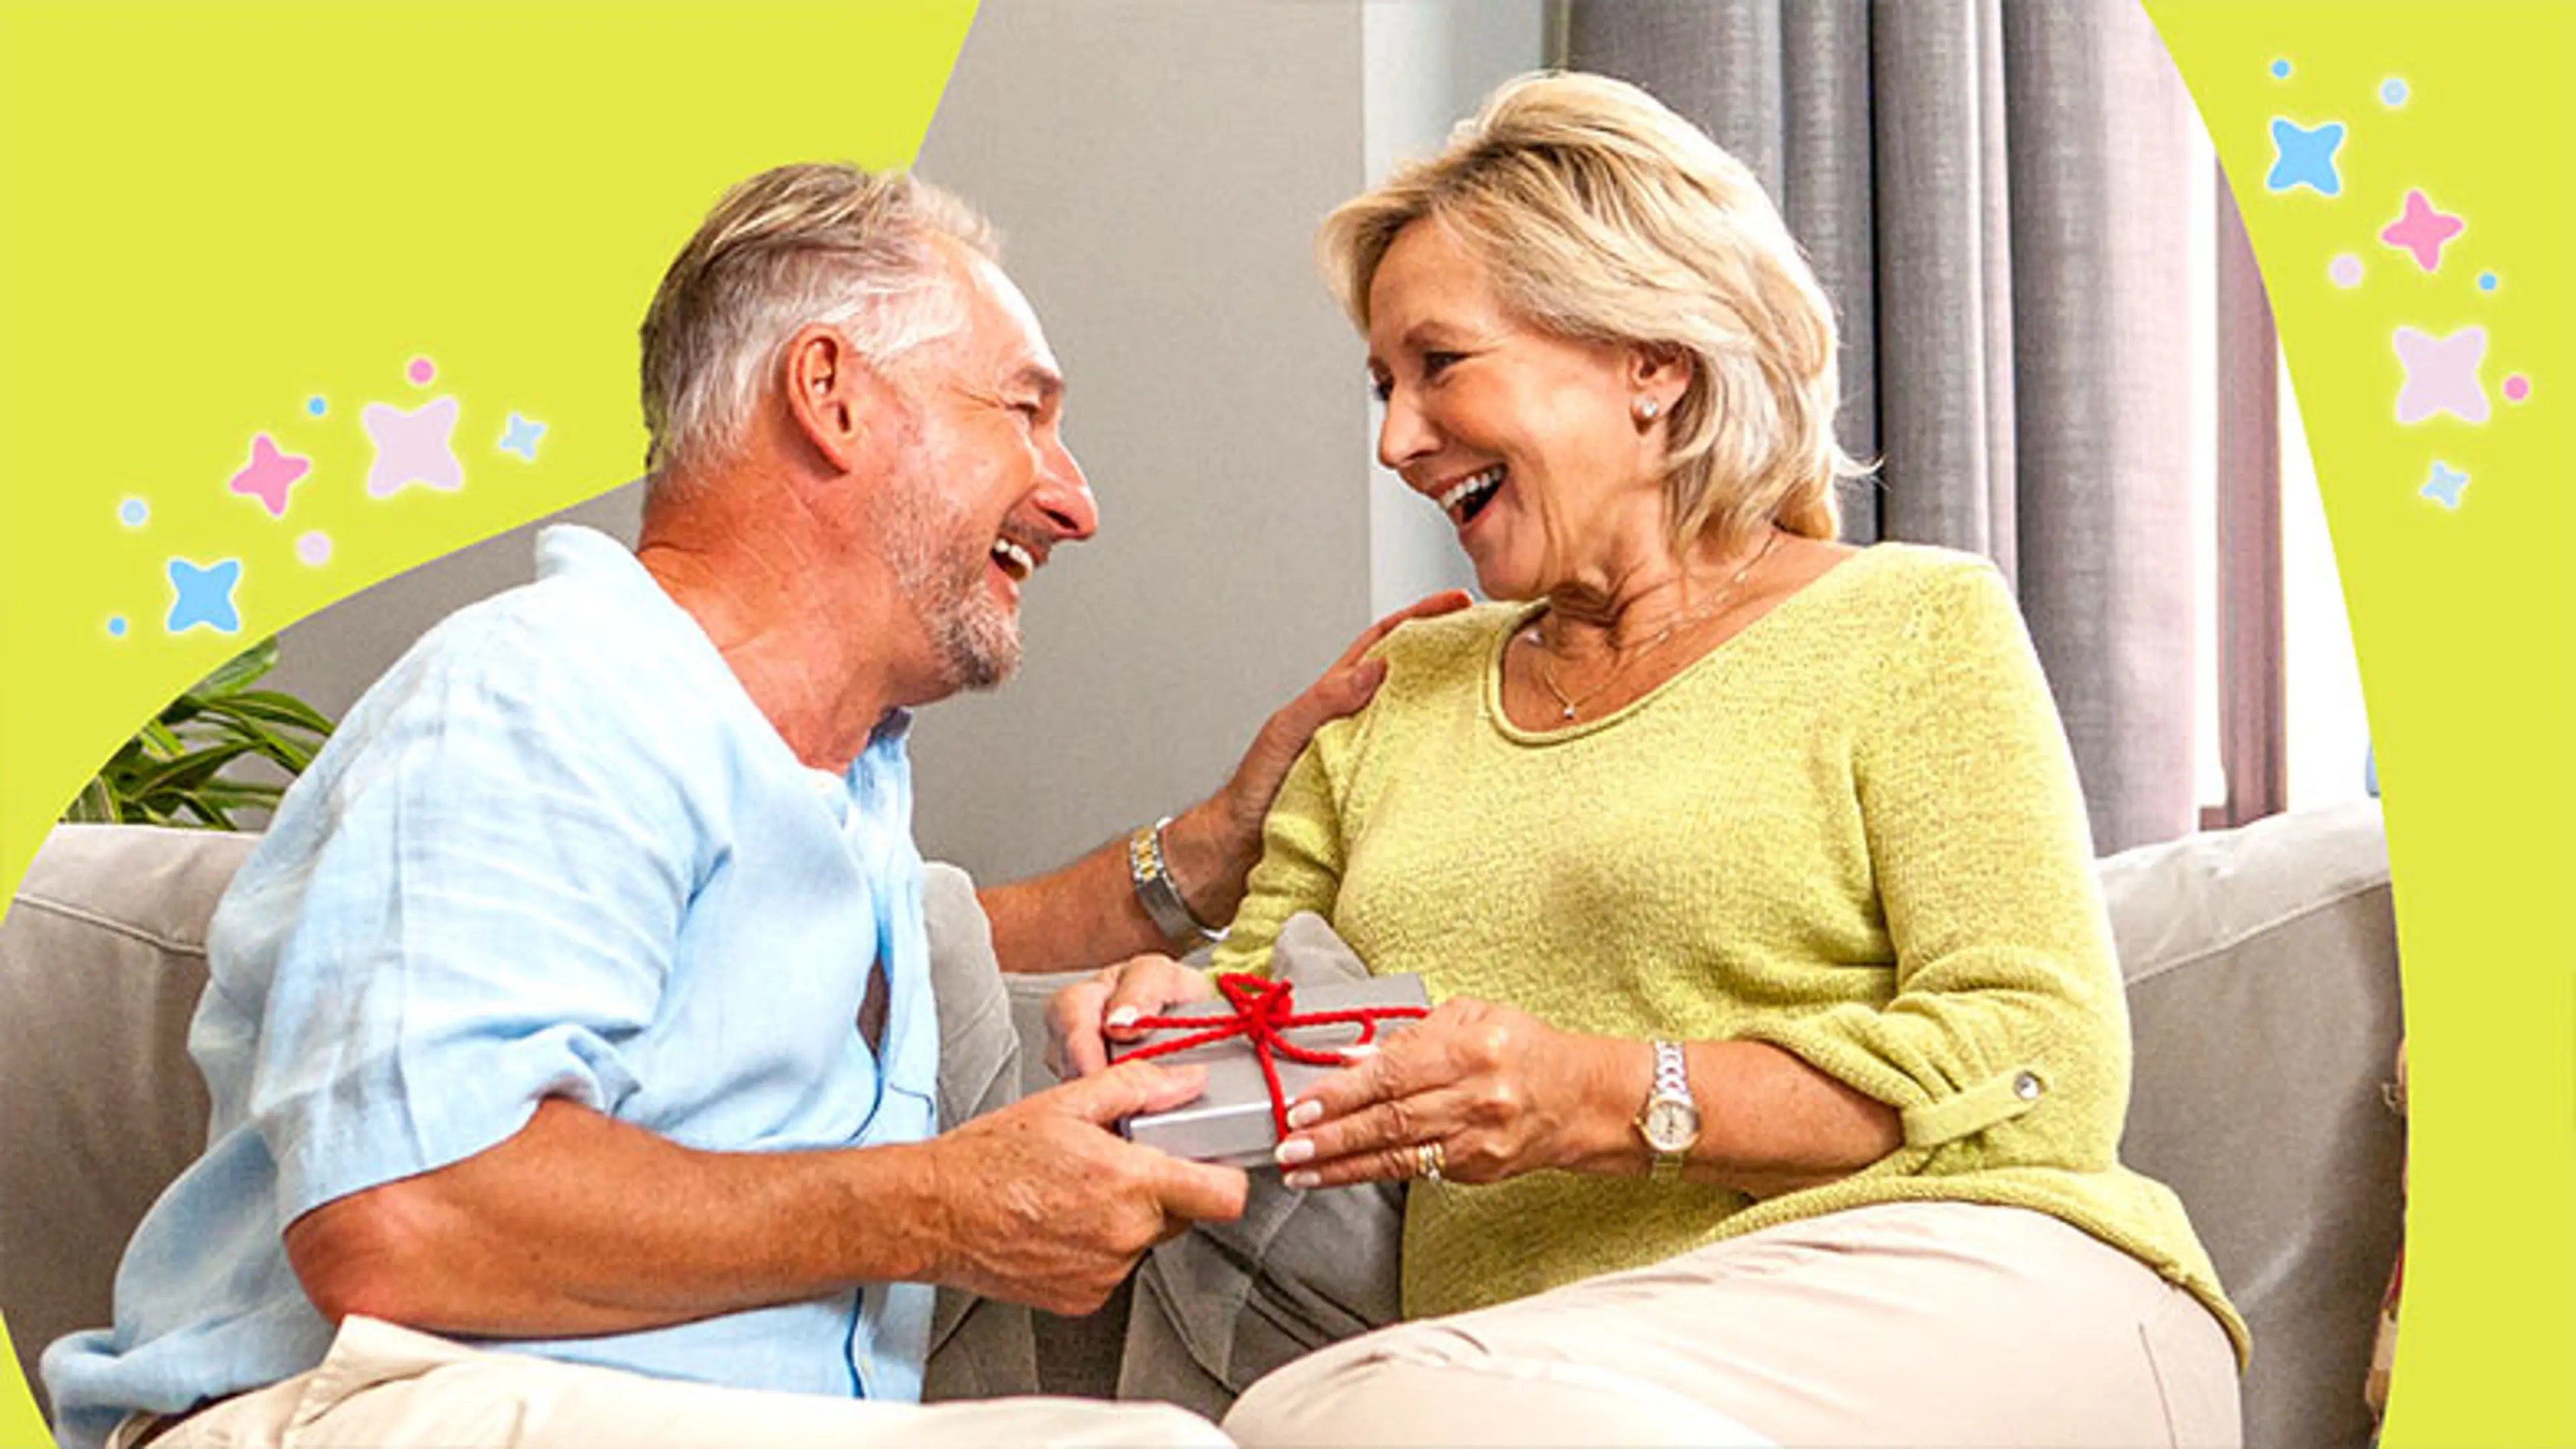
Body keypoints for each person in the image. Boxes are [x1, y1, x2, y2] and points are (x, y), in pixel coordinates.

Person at [40, 162, 1462, 1449]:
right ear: (831, 395)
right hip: (367, 1410)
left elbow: (951, 934)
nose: (1074, 499)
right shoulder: (546, 694)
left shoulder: (832, 784)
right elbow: (405, 1220)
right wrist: (948, 1207)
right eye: (1025, 411)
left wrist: (1205, 857)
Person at [1054, 72, 2248, 1447]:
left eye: (1441, 365)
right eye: (1381, 386)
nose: (1394, 441)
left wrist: (1604, 1096)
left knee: (1355, 1419)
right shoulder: (1399, 693)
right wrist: (1165, 1033)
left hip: (1966, 1285)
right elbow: (1268, 1026)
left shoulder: (1911, 623)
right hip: (1555, 1368)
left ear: (1650, 365)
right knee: (1335, 1419)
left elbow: (2042, 1064)